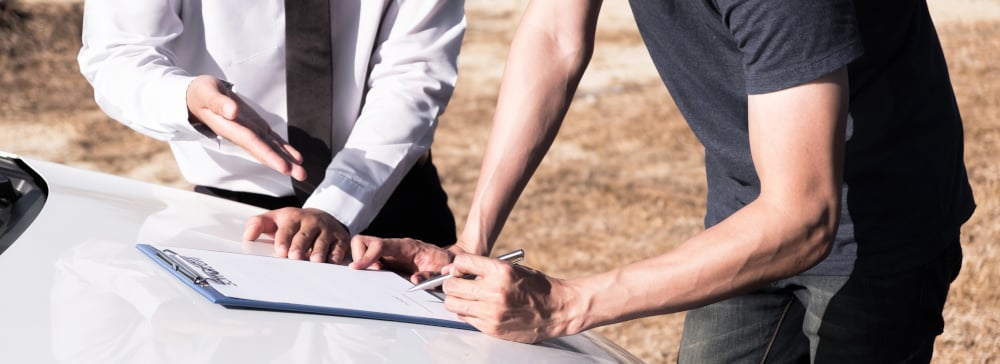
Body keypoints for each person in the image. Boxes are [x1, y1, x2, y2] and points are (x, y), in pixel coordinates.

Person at [349, 0, 976, 362]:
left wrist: (567, 304)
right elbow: (554, 35)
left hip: (879, 224)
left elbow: (802, 217)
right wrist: (472, 244)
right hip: (746, 212)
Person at [78, 1, 466, 264]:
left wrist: (336, 204)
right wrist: (185, 99)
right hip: (238, 222)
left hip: (392, 205)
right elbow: (119, 52)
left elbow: (414, 74)